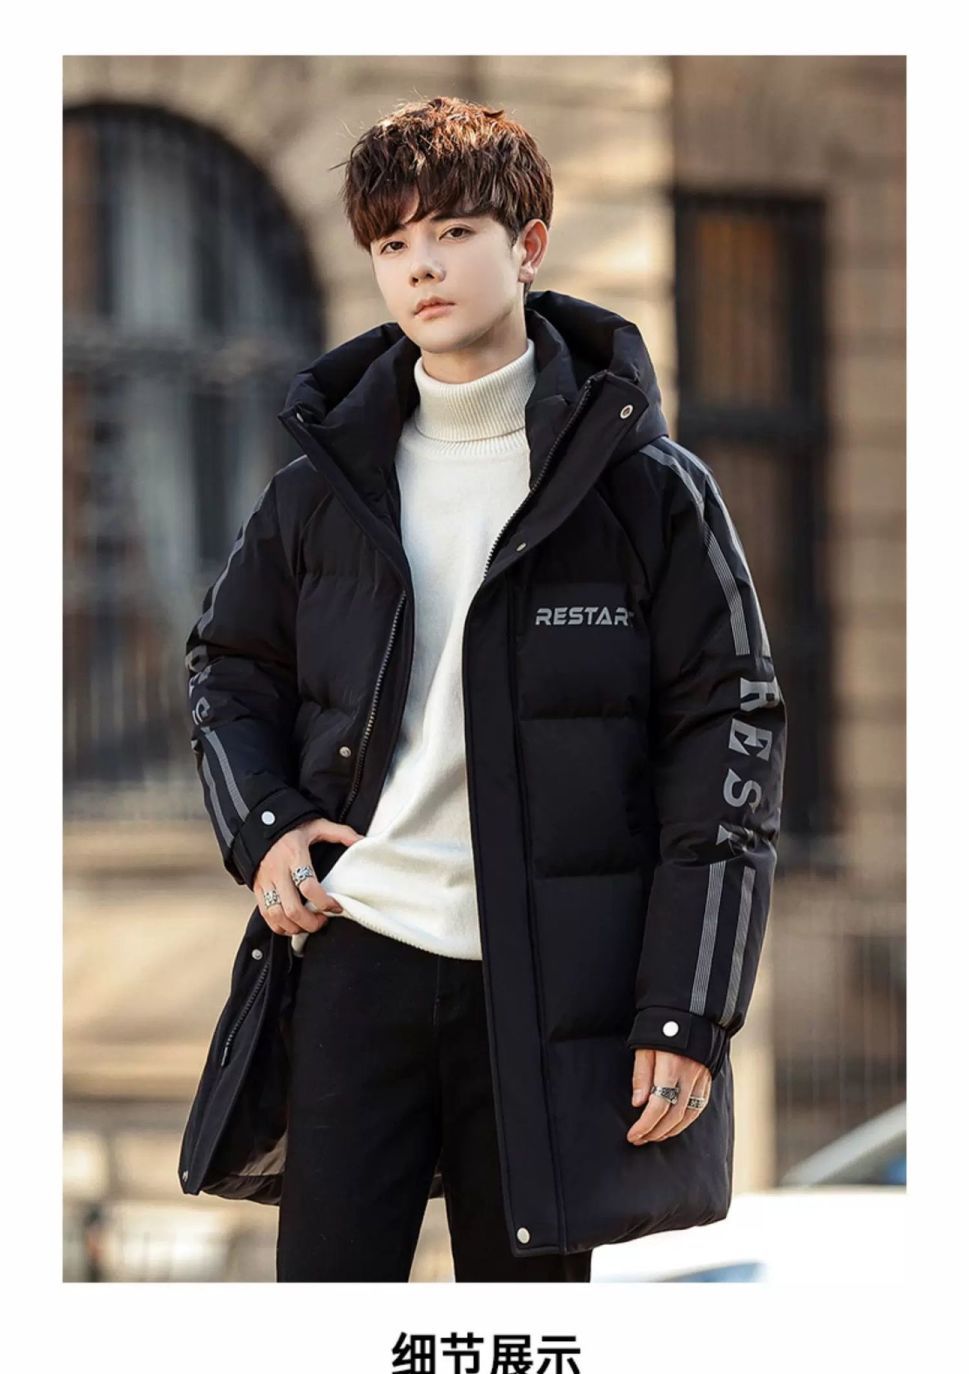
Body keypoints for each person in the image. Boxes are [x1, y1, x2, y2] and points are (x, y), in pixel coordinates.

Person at [182, 95, 786, 1282]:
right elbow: (227, 666)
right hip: (360, 953)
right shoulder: (321, 489)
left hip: (552, 988)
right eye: (392, 243)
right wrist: (265, 828)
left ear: (527, 245)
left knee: (523, 1357)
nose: (422, 266)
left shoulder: (647, 492)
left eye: (453, 231)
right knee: (325, 1347)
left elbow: (730, 737)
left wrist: (690, 1007)